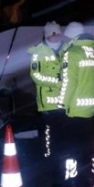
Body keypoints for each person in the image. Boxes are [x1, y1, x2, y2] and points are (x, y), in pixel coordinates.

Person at [55, 21, 94, 186]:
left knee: (71, 147)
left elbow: (69, 82)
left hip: (74, 108)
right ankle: (87, 175)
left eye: (67, 37)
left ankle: (72, 179)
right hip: (88, 106)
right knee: (86, 144)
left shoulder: (72, 53)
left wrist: (61, 104)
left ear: (72, 36)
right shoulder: (91, 52)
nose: (65, 40)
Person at [27, 22, 64, 161]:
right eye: (53, 34)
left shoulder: (66, 48)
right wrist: (57, 83)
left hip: (64, 102)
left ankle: (60, 156)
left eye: (58, 33)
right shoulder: (38, 52)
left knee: (62, 136)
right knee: (48, 136)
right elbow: (36, 75)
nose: (56, 37)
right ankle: (47, 159)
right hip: (48, 104)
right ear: (47, 35)